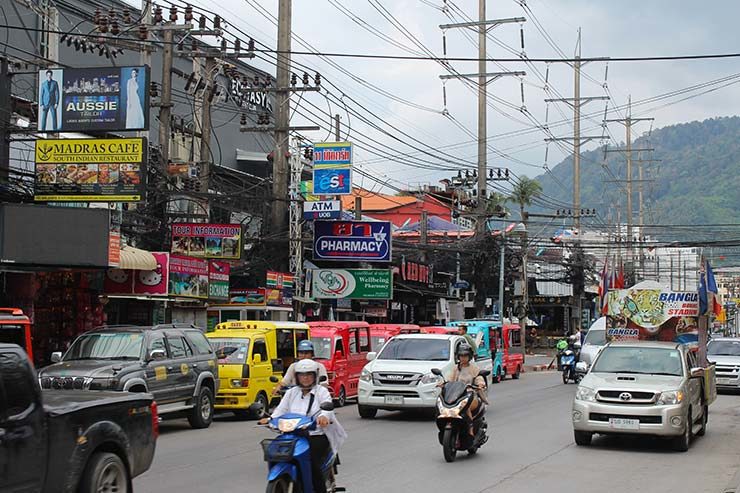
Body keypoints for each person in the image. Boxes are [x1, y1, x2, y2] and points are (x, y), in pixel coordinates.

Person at [259, 360, 346, 493]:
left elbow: (327, 407)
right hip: (293, 435)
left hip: (316, 435)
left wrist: (324, 417)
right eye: (302, 375)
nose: (305, 378)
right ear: (297, 376)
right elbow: (281, 409)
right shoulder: (292, 392)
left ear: (314, 376)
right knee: (277, 453)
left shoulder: (321, 392)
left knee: (313, 464)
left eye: (308, 375)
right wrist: (270, 419)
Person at [443, 343, 487, 436]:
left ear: (469, 356)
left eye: (465, 355)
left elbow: (479, 377)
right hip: (458, 395)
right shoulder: (456, 368)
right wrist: (443, 383)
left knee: (465, 406)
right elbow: (450, 378)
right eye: (461, 356)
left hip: (471, 395)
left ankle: (470, 427)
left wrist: (480, 384)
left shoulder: (473, 368)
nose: (463, 358)